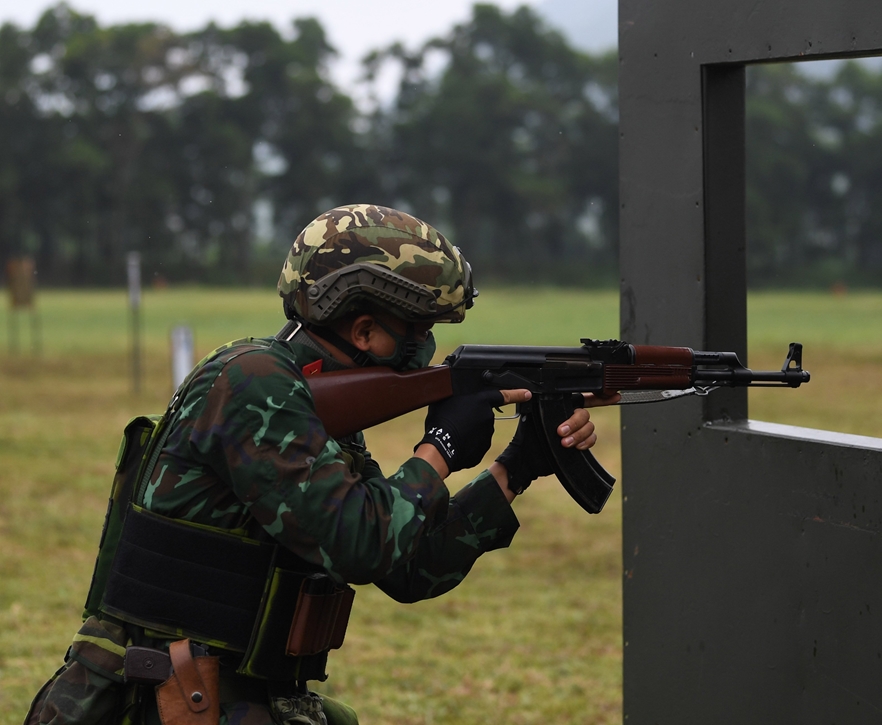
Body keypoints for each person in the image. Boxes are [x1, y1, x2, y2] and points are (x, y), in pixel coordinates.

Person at [25, 204, 609, 725]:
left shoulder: (308, 405)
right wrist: (439, 449)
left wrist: (517, 467)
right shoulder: (253, 382)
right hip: (169, 697)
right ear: (363, 329)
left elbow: (409, 568)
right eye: (420, 331)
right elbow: (361, 543)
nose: (427, 347)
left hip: (229, 694)